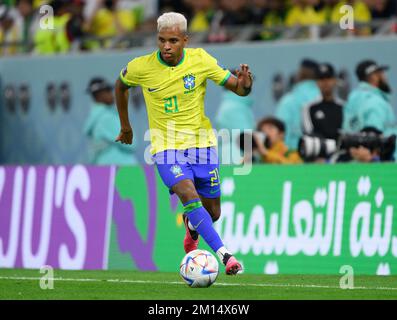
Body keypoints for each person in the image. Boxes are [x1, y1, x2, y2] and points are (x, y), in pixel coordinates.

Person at [114, 12, 253, 275]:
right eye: (162, 40)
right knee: (188, 194)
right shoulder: (140, 67)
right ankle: (226, 257)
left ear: (185, 40)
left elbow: (238, 88)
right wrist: (126, 125)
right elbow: (120, 86)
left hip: (202, 146)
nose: (166, 46)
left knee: (212, 212)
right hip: (165, 148)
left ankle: (192, 226)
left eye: (173, 40)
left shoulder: (201, 60)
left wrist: (246, 84)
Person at [83, 77, 138, 165]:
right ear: (99, 95)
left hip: (104, 168)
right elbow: (131, 143)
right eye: (107, 91)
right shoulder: (106, 118)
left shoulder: (96, 118)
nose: (112, 94)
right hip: (121, 169)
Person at [275, 58, 321, 150]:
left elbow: (279, 131)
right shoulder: (323, 97)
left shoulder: (288, 101)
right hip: (323, 155)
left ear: (300, 74)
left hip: (293, 157)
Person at [301, 63, 344, 162]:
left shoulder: (343, 107)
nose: (325, 82)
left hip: (341, 158)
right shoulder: (309, 108)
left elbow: (346, 133)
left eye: (328, 78)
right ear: (316, 83)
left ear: (334, 80)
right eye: (321, 79)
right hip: (318, 159)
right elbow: (309, 134)